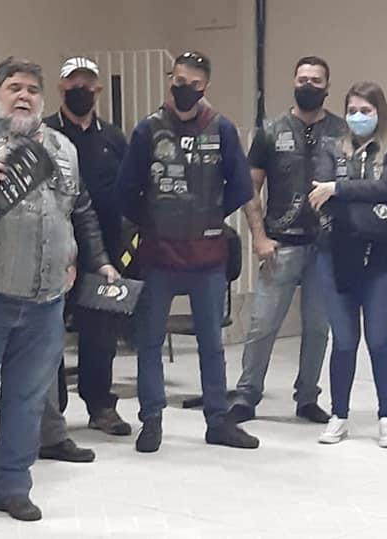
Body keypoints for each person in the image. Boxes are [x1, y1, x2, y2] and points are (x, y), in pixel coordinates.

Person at [0, 56, 117, 526]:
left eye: (32, 89)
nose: (24, 96)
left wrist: (93, 260)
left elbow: (80, 210)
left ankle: (13, 487)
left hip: (45, 300)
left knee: (27, 400)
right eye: (14, 87)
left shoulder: (63, 149)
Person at [116, 51, 256, 453]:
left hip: (207, 256)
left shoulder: (222, 128)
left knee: (211, 343)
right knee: (149, 342)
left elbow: (241, 187)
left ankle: (218, 421)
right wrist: (154, 219)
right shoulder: (148, 130)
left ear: (205, 86)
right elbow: (125, 190)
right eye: (179, 81)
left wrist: (208, 215)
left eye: (193, 84)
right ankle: (151, 421)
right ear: (170, 80)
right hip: (158, 255)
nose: (185, 88)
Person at [229, 56, 347, 425]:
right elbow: (251, 187)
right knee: (262, 325)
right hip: (280, 244)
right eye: (302, 79)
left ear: (327, 87)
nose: (308, 85)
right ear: (293, 82)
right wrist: (259, 237)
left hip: (326, 247)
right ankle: (246, 395)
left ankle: (308, 397)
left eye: (316, 80)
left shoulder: (342, 131)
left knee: (318, 328)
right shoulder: (270, 131)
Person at [38, 57, 131, 464]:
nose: (82, 89)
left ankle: (101, 406)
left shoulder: (113, 137)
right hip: (53, 250)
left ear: (98, 90)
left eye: (88, 84)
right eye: (73, 83)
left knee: (100, 335)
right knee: (48, 335)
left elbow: (128, 190)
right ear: (61, 88)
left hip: (102, 252)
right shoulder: (45, 136)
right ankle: (52, 413)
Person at [307, 82, 387, 447]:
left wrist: (339, 189)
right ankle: (339, 415)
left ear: (379, 112)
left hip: (384, 259)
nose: (358, 117)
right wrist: (343, 193)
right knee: (344, 341)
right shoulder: (331, 149)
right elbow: (319, 194)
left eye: (366, 111)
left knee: (379, 339)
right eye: (352, 111)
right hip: (336, 255)